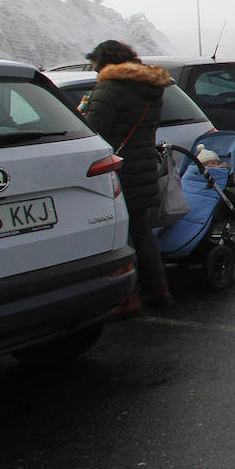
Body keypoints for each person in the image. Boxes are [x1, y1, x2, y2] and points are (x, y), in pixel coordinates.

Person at [81, 39, 174, 316]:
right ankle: (159, 289)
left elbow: (95, 130)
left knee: (122, 237)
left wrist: (82, 114)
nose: (93, 69)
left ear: (105, 62)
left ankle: (127, 297)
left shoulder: (110, 88)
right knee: (142, 232)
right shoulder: (151, 88)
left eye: (94, 64)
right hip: (144, 167)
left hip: (120, 171)